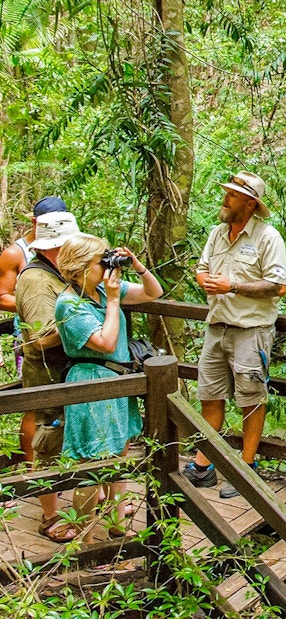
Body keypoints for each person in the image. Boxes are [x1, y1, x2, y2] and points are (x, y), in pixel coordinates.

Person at [183, 170, 286, 499]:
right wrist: (206, 281)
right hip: (216, 328)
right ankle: (204, 466)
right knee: (209, 396)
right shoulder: (217, 233)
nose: (225, 198)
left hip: (251, 332)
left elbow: (279, 285)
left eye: (232, 194)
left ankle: (247, 469)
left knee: (251, 401)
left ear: (250, 203)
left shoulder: (268, 238)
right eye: (226, 192)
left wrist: (233, 286)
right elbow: (201, 270)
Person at [55, 234, 163, 543]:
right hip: (91, 382)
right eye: (99, 262)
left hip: (118, 381)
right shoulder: (70, 304)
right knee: (91, 464)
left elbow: (153, 293)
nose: (106, 266)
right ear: (79, 269)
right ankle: (85, 539)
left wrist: (138, 267)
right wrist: (115, 301)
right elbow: (105, 342)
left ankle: (117, 524)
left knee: (119, 452)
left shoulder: (103, 290)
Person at [15, 210, 80, 542]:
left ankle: (63, 502)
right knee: (48, 444)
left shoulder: (56, 272)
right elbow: (41, 337)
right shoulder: (38, 280)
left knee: (62, 440)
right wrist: (82, 319)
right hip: (47, 376)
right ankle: (50, 517)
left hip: (62, 374)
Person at [0, 196, 68, 464]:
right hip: (31, 333)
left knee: (61, 404)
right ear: (34, 222)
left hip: (61, 333)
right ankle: (32, 469)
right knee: (35, 405)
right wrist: (34, 304)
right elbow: (2, 296)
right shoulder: (15, 253)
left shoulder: (67, 246)